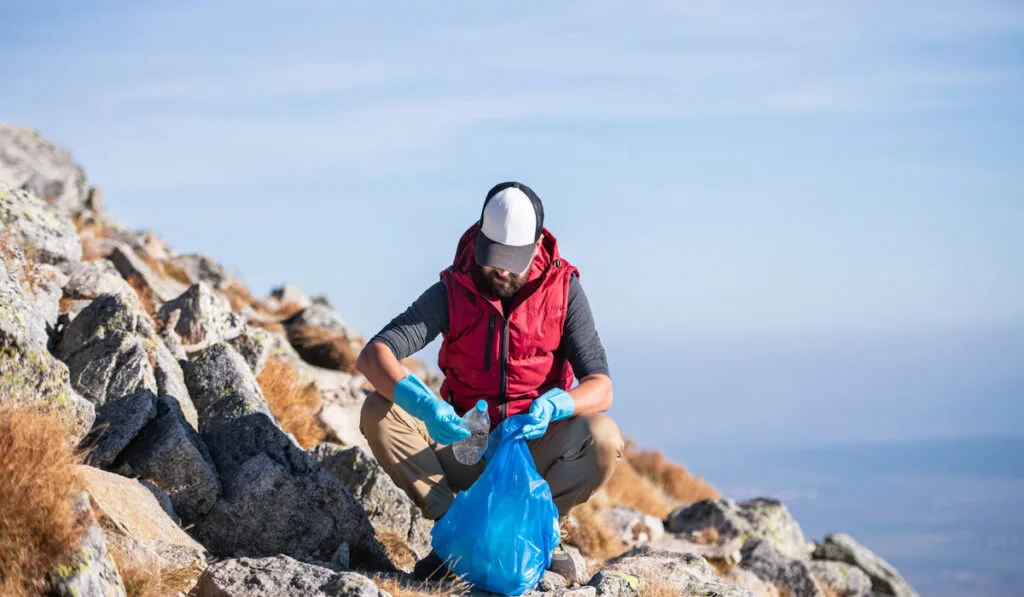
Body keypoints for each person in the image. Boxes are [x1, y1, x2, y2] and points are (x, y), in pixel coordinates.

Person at [356, 181, 622, 581]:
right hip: (466, 449)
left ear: (536, 247)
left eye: (511, 259)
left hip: (534, 454)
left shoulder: (565, 291)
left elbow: (601, 387)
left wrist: (557, 405)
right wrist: (426, 407)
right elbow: (375, 355)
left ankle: (542, 530)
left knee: (602, 437)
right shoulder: (455, 287)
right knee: (378, 410)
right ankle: (456, 533)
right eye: (492, 256)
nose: (499, 269)